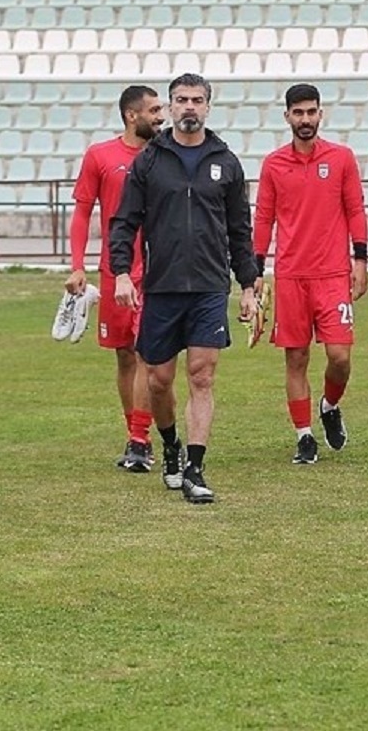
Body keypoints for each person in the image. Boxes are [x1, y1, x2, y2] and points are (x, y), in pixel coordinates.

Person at [109, 73, 259, 504]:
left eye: (196, 99)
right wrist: (122, 273)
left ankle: (195, 467)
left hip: (210, 286)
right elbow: (124, 222)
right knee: (158, 381)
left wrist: (248, 285)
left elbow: (239, 231)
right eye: (181, 99)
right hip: (163, 286)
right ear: (170, 107)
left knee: (202, 375)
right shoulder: (149, 161)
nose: (189, 106)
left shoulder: (226, 162)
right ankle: (171, 445)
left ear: (208, 106)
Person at [254, 84, 368, 465]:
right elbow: (264, 218)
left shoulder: (341, 158)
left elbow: (355, 210)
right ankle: (304, 436)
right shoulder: (273, 164)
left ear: (321, 114)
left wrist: (360, 260)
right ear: (287, 116)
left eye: (311, 112)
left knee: (340, 356)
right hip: (291, 275)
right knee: (296, 358)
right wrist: (256, 270)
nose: (305, 119)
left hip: (333, 275)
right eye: (298, 113)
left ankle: (329, 405)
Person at [64, 85, 164, 473]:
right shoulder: (100, 156)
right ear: (131, 115)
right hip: (115, 271)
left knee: (147, 355)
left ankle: (140, 438)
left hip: (157, 272)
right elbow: (82, 212)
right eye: (153, 110)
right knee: (125, 355)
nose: (161, 117)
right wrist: (77, 265)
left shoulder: (166, 154)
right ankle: (136, 435)